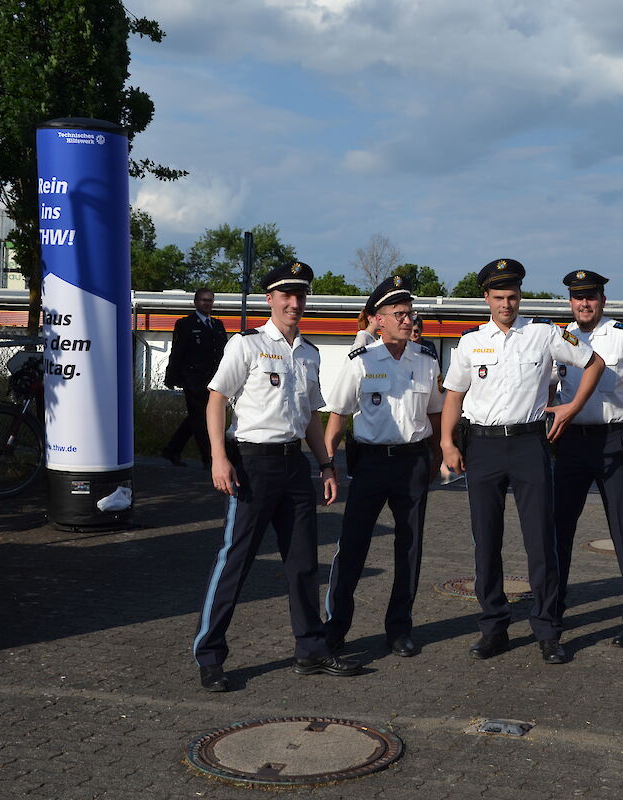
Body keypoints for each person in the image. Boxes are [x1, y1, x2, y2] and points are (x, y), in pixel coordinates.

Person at [192, 260, 357, 692]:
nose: (294, 302)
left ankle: (311, 649)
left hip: (294, 466)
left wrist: (326, 465)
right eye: (286, 294)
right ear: (270, 299)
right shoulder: (245, 345)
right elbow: (215, 400)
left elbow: (309, 420)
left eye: (300, 295)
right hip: (252, 464)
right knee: (237, 561)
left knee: (303, 563)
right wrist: (218, 458)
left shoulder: (309, 353)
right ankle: (209, 656)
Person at [440, 258, 605, 665]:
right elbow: (454, 396)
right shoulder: (470, 341)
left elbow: (594, 362)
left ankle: (548, 629)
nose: (506, 304)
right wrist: (446, 442)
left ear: (520, 296)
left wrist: (571, 407)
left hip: (530, 444)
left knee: (540, 542)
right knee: (486, 542)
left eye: (512, 296)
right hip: (483, 446)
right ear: (486, 298)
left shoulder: (544, 334)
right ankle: (493, 627)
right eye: (498, 297)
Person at [322, 275, 444, 658]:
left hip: (412, 464)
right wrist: (328, 466)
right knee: (353, 547)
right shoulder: (360, 362)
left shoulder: (425, 360)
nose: (408, 320)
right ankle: (336, 628)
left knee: (409, 548)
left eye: (410, 313)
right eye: (400, 314)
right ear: (379, 319)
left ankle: (399, 629)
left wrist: (436, 459)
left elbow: (437, 413)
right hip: (371, 464)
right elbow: (337, 418)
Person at [552, 269, 623, 648]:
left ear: (602, 299)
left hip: (613, 442)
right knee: (557, 530)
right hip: (569, 443)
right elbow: (548, 385)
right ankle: (553, 608)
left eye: (591, 296)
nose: (584, 303)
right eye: (577, 297)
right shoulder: (559, 337)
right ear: (570, 301)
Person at [162, 288, 227, 467]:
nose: (207, 303)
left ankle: (172, 450)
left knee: (195, 417)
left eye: (210, 300)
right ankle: (208, 458)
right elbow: (177, 352)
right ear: (196, 302)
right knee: (201, 418)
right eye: (203, 300)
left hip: (213, 380)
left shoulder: (217, 325)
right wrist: (171, 376)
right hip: (193, 379)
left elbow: (224, 353)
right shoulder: (186, 324)